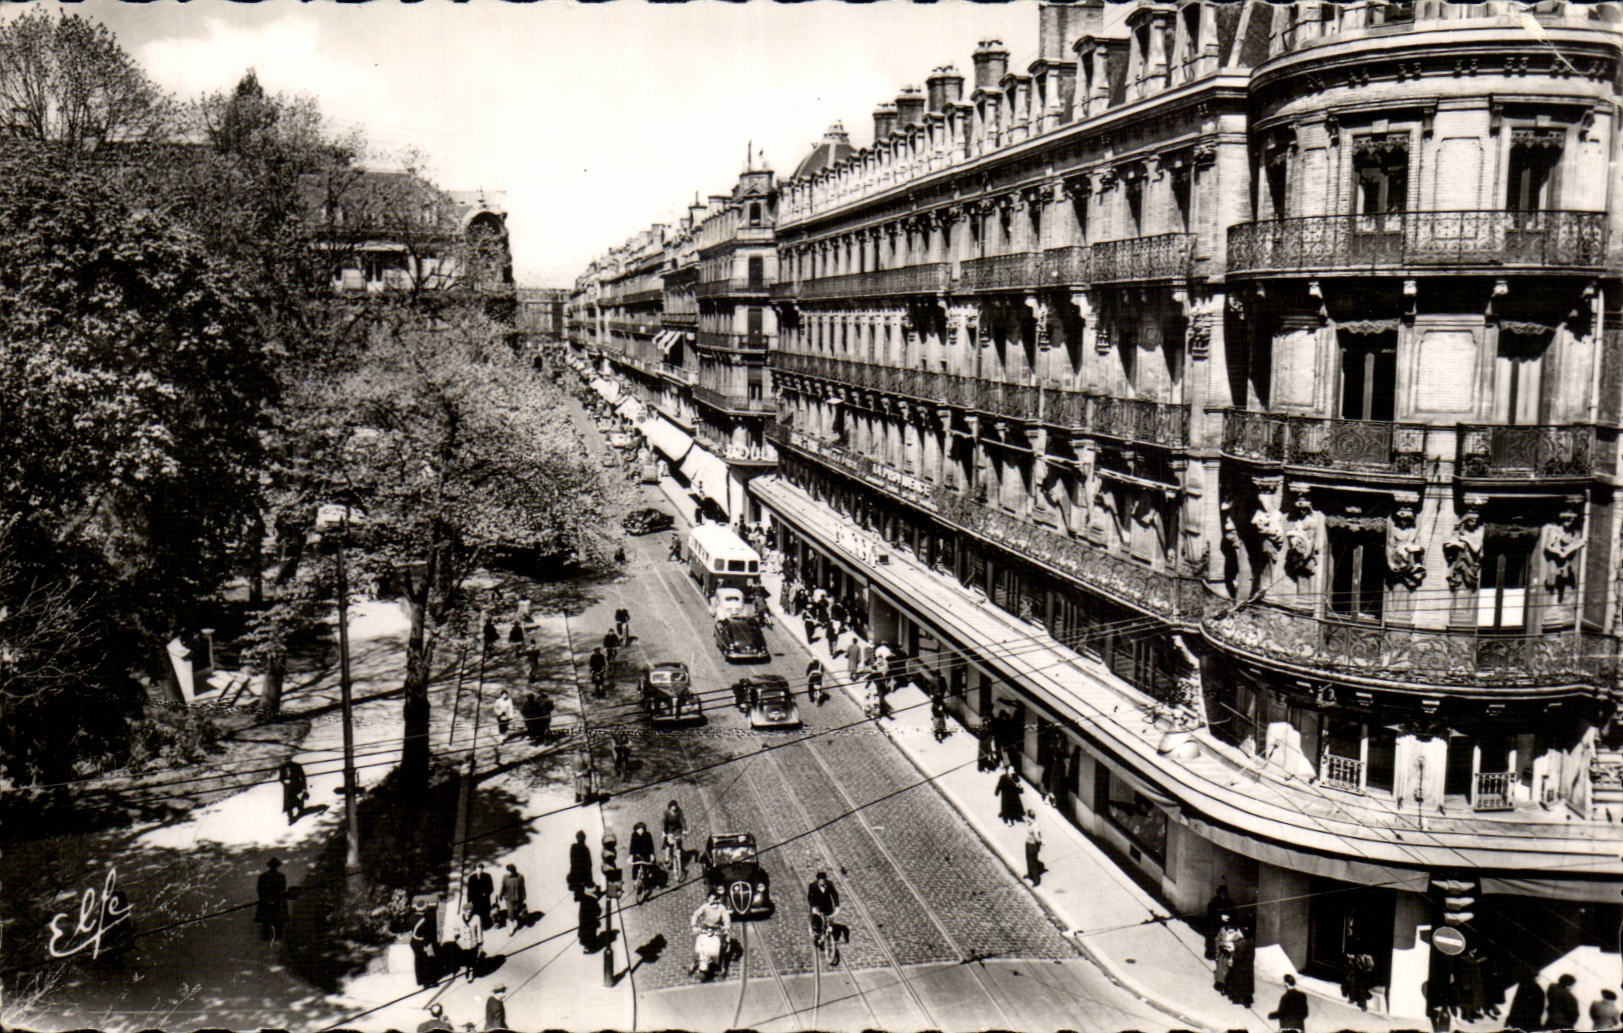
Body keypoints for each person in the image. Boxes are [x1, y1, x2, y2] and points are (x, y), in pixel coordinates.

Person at [689, 886, 732, 978]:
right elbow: (696, 914)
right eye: (712, 899)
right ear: (708, 899)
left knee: (723, 944)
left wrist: (726, 928)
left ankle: (722, 966)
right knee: (698, 941)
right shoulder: (705, 907)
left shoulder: (722, 908)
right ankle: (694, 962)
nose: (714, 901)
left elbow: (726, 919)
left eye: (716, 899)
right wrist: (694, 925)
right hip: (705, 927)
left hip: (717, 928)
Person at [807, 871, 842, 967]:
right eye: (820, 880)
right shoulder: (813, 886)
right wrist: (813, 907)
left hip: (827, 906)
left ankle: (828, 934)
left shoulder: (829, 884)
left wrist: (837, 906)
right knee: (818, 922)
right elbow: (810, 897)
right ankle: (816, 932)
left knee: (829, 921)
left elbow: (835, 895)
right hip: (817, 906)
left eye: (823, 880)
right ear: (818, 880)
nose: (822, 882)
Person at [255, 857, 289, 942]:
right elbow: (282, 889)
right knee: (276, 917)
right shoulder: (281, 876)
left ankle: (268, 934)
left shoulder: (263, 876)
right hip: (276, 899)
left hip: (268, 899)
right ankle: (276, 934)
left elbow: (259, 889)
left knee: (267, 917)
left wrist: (264, 898)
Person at [410, 903, 440, 988]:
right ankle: (428, 982)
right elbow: (427, 934)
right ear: (425, 909)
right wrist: (428, 945)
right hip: (423, 942)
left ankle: (420, 981)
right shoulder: (425, 920)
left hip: (414, 942)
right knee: (427, 962)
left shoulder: (411, 917)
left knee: (418, 961)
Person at [453, 901, 483, 982]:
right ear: (464, 911)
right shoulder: (458, 918)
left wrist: (480, 943)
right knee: (466, 958)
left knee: (472, 958)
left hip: (473, 943)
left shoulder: (476, 918)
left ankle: (471, 973)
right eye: (467, 911)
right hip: (463, 944)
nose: (468, 913)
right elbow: (456, 930)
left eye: (470, 911)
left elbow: (479, 931)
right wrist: (458, 940)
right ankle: (468, 968)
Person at [1226, 925, 1255, 1007]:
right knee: (1247, 984)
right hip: (1248, 966)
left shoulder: (1240, 944)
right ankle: (1248, 1000)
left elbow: (1237, 956)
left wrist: (1232, 957)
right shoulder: (1251, 941)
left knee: (1238, 984)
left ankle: (1237, 999)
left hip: (1239, 967)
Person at [1213, 914, 1241, 997]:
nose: (1228, 925)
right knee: (1221, 970)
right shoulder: (1223, 930)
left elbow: (1239, 944)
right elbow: (1217, 940)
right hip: (1222, 954)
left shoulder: (1237, 933)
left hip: (1231, 955)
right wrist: (1218, 951)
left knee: (1229, 972)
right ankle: (1220, 984)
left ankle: (1226, 987)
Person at [1204, 884, 1234, 961]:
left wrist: (1229, 918)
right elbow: (1210, 915)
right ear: (1219, 894)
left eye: (1225, 894)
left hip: (1224, 926)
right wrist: (1220, 917)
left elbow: (1233, 912)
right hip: (1215, 925)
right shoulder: (1213, 902)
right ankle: (1214, 953)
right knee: (1215, 941)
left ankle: (1221, 954)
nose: (1224, 896)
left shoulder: (1229, 902)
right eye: (1222, 894)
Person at [277, 758, 307, 825]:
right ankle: (291, 818)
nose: (286, 761)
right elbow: (280, 778)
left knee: (298, 801)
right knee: (288, 804)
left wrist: (304, 788)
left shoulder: (297, 766)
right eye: (285, 760)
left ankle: (301, 811)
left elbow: (303, 777)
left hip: (297, 787)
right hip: (288, 789)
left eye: (287, 759)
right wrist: (284, 781)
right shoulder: (282, 768)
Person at [629, 821, 656, 891]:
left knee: (648, 868)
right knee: (635, 867)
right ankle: (635, 880)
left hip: (646, 854)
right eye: (639, 829)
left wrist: (652, 854)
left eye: (642, 829)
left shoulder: (648, 835)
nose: (640, 831)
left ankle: (648, 880)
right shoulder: (634, 835)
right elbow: (632, 846)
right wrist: (631, 855)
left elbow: (651, 845)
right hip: (637, 855)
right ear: (636, 830)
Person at [499, 863, 528, 929]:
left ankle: (516, 921)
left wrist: (524, 895)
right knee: (510, 911)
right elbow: (503, 886)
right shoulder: (505, 877)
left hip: (518, 897)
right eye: (509, 871)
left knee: (517, 910)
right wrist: (500, 895)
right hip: (508, 898)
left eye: (512, 871)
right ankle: (511, 926)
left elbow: (522, 887)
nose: (511, 873)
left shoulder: (520, 876)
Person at [467, 863, 495, 929]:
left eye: (480, 869)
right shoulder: (472, 878)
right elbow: (469, 890)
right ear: (475, 870)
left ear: (482, 869)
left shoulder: (487, 876)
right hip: (475, 899)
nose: (479, 871)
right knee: (476, 913)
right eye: (477, 869)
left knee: (485, 912)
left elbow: (491, 888)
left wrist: (486, 893)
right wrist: (469, 900)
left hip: (485, 899)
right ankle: (477, 926)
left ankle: (485, 925)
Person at [663, 800, 687, 877]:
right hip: (669, 830)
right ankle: (667, 857)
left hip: (677, 830)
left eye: (675, 806)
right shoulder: (666, 813)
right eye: (672, 807)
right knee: (668, 844)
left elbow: (683, 820)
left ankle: (679, 853)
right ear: (670, 807)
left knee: (678, 842)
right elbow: (663, 822)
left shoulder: (679, 811)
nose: (674, 808)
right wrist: (664, 831)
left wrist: (685, 830)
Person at [567, 830, 594, 895]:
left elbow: (589, 864)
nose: (581, 839)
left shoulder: (585, 849)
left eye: (582, 837)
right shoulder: (575, 847)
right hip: (578, 874)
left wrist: (589, 879)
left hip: (582, 876)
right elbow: (573, 861)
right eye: (580, 837)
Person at [577, 886, 603, 953]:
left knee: (585, 933)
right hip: (591, 922)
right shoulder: (592, 900)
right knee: (590, 934)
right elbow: (598, 912)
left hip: (583, 921)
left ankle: (586, 945)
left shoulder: (584, 899)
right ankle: (590, 947)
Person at [600, 829, 623, 901]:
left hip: (608, 866)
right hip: (608, 866)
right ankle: (612, 892)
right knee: (611, 877)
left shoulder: (606, 850)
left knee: (611, 877)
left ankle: (612, 891)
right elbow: (612, 856)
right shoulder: (609, 851)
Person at [1023, 811, 1044, 886]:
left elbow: (1037, 838)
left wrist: (1041, 841)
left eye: (1027, 817)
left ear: (1030, 817)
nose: (1026, 819)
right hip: (1028, 844)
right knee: (1028, 860)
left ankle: (1036, 880)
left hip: (1032, 846)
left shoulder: (1035, 826)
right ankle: (1030, 874)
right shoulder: (1030, 823)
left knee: (1032, 862)